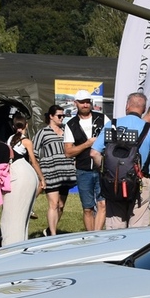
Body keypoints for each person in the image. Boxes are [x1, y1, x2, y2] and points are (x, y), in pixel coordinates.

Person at [91, 91, 150, 229]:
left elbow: (94, 153)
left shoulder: (112, 124)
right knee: (138, 228)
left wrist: (105, 169)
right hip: (140, 181)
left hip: (114, 181)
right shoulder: (149, 129)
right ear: (144, 108)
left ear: (127, 106)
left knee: (115, 228)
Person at [0, 114, 45, 245]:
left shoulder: (9, 139)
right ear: (27, 125)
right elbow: (33, 161)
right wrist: (42, 177)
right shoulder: (26, 141)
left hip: (10, 171)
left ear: (14, 126)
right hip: (21, 170)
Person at [65, 91, 105, 231]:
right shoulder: (71, 124)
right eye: (82, 102)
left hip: (102, 169)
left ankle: (98, 234)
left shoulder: (102, 118)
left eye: (88, 101)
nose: (86, 104)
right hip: (83, 170)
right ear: (76, 103)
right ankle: (90, 236)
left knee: (102, 204)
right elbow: (68, 152)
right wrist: (87, 144)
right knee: (87, 208)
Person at [34, 105, 77, 235]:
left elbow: (73, 148)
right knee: (53, 203)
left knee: (61, 205)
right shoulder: (43, 132)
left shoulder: (67, 131)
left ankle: (49, 230)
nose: (62, 118)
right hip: (51, 172)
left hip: (66, 172)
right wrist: (39, 173)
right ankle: (53, 235)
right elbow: (34, 153)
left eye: (63, 116)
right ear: (51, 116)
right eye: (59, 115)